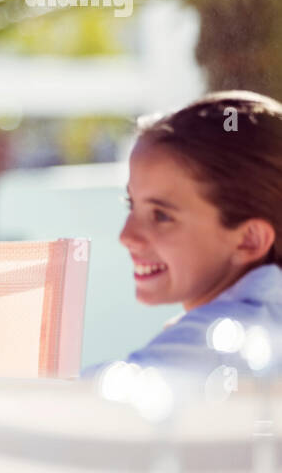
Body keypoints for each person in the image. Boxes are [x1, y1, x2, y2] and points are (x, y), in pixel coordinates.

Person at [103, 91, 282, 378]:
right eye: (131, 204)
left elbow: (81, 408)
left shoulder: (225, 339)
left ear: (250, 239)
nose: (126, 236)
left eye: (161, 215)